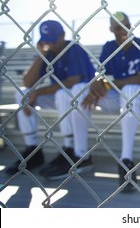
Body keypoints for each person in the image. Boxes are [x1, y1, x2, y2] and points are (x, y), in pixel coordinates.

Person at [5, 20, 95, 180]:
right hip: (60, 96)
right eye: (47, 40)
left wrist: (39, 92)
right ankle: (33, 150)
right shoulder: (48, 53)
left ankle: (71, 149)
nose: (50, 44)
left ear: (62, 36)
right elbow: (27, 83)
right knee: (22, 93)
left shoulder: (73, 48)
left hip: (82, 97)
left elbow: (73, 80)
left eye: (53, 40)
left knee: (63, 93)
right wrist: (41, 55)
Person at [81, 12, 140, 192]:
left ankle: (126, 160)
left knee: (129, 90)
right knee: (82, 91)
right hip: (118, 98)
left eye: (126, 25)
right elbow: (102, 74)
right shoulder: (109, 47)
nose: (123, 30)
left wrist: (109, 84)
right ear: (111, 30)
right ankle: (79, 153)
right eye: (118, 27)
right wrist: (98, 85)